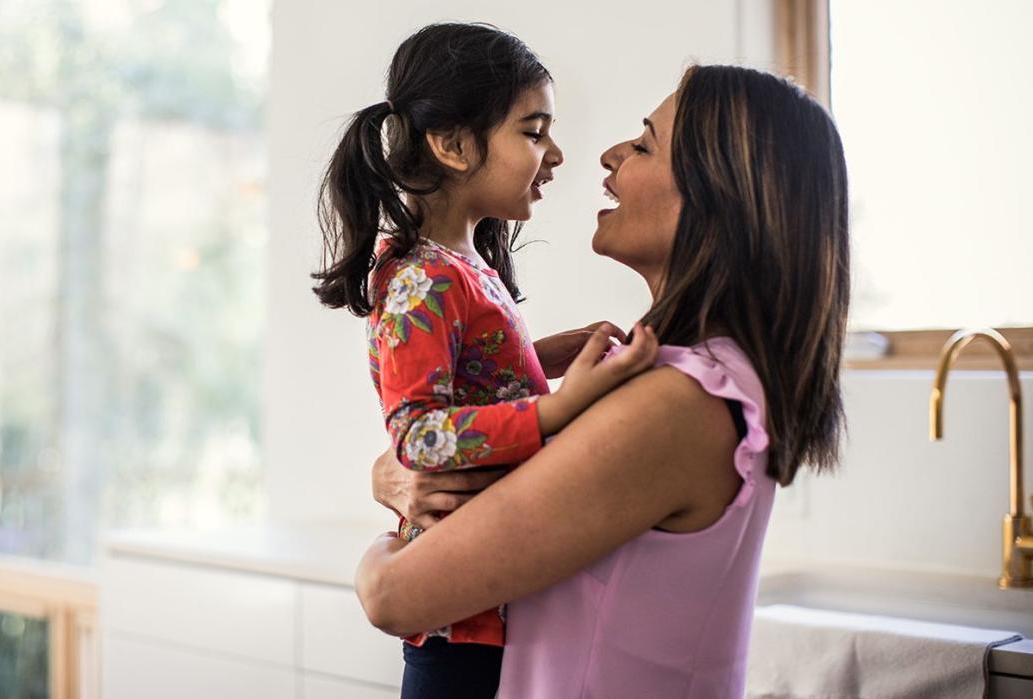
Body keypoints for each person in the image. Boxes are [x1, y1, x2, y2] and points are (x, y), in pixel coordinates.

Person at [356, 64, 850, 698]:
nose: (610, 154)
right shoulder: (695, 379)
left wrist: (379, 552)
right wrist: (396, 469)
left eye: (644, 144)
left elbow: (393, 597)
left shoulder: (675, 405)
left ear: (717, 196)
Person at [312, 22, 659, 699]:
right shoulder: (424, 279)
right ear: (452, 145)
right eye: (533, 131)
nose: (555, 154)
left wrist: (550, 354)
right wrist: (557, 405)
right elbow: (418, 435)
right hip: (461, 619)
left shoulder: (461, 266)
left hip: (491, 596)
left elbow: (478, 380)